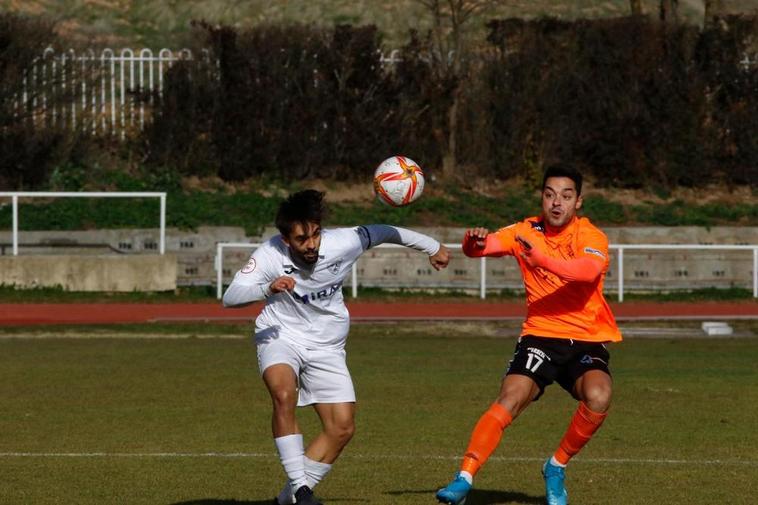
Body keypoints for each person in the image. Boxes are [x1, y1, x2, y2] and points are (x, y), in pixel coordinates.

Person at [223, 189, 450, 505]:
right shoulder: (268, 255)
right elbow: (230, 296)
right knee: (283, 393)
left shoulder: (342, 242)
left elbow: (384, 232)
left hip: (327, 344)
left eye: (316, 234)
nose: (312, 244)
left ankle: (286, 500)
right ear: (286, 240)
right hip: (280, 335)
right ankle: (302, 490)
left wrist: (433, 246)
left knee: (341, 427)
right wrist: (267, 287)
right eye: (302, 239)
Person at [435, 164, 622, 505]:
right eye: (550, 194)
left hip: (585, 338)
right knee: (510, 398)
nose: (556, 203)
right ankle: (463, 478)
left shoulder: (591, 236)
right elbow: (481, 248)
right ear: (542, 197)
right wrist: (472, 242)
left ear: (578, 201)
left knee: (599, 395)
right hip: (540, 335)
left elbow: (586, 271)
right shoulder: (525, 230)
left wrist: (542, 258)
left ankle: (556, 466)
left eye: (566, 196)